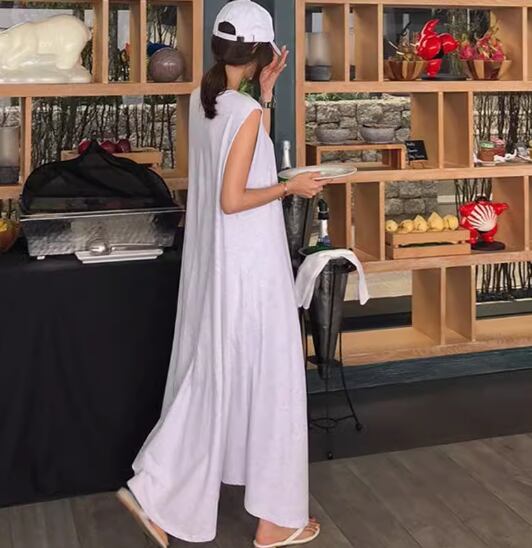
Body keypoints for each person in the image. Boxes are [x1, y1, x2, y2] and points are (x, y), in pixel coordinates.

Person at [117, 1, 324, 546]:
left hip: (217, 266)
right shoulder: (243, 111)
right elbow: (235, 198)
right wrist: (291, 187)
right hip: (251, 266)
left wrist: (266, 94)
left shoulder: (203, 100)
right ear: (260, 52)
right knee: (270, 379)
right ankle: (270, 519)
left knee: (219, 374)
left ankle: (164, 496)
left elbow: (241, 155)